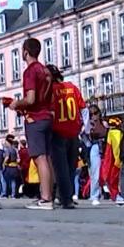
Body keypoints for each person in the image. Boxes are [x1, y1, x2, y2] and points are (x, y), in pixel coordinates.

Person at [8, 38, 55, 211]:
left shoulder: (30, 71)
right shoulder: (45, 71)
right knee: (47, 157)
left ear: (26, 52)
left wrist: (16, 104)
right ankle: (50, 194)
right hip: (47, 116)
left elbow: (31, 98)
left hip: (35, 118)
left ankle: (46, 198)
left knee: (40, 158)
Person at [48, 65, 83, 209]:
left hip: (58, 132)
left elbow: (50, 111)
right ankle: (65, 196)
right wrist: (82, 128)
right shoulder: (72, 87)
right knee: (70, 168)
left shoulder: (51, 91)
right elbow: (83, 108)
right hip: (74, 132)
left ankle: (65, 198)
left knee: (60, 168)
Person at [84, 103, 107, 205]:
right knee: (95, 172)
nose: (93, 115)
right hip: (94, 147)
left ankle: (111, 193)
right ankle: (94, 195)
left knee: (107, 172)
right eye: (91, 114)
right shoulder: (88, 124)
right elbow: (84, 137)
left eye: (95, 113)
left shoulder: (104, 123)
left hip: (104, 148)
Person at [101, 117, 124, 204]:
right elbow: (116, 147)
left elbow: (115, 148)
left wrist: (117, 160)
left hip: (114, 159)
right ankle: (116, 194)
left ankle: (116, 194)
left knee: (112, 178)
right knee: (113, 178)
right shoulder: (116, 132)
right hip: (116, 159)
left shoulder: (113, 133)